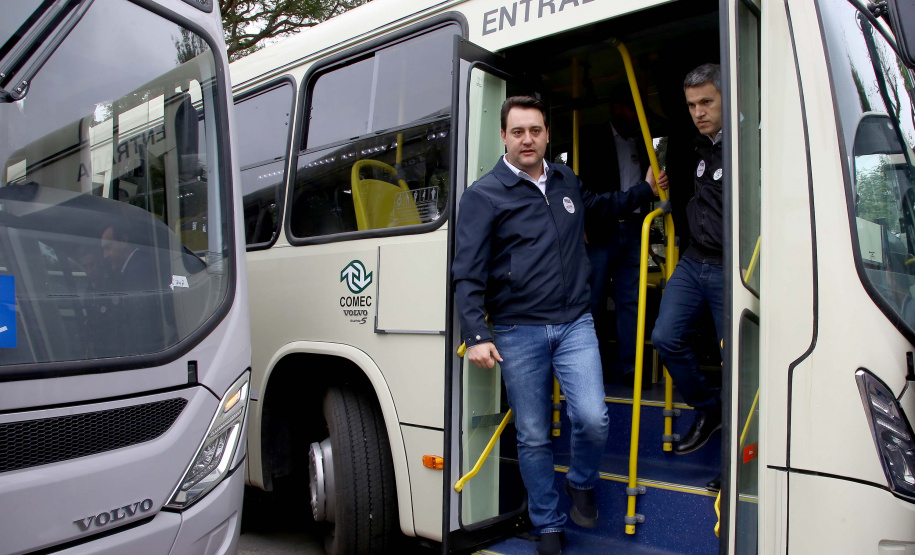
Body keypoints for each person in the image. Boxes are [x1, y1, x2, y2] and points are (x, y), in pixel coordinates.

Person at [453, 96, 663, 555]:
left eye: (535, 130)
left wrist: (644, 191)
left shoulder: (566, 179)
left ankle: (581, 483)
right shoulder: (483, 194)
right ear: (503, 137)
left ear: (548, 135)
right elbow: (466, 271)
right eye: (517, 132)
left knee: (592, 417)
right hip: (516, 331)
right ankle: (548, 524)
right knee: (531, 434)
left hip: (574, 324)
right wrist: (475, 333)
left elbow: (600, 207)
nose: (527, 139)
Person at [650, 63, 725, 490]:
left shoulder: (746, 146)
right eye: (692, 105)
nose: (699, 112)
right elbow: (671, 179)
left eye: (707, 102)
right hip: (693, 261)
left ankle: (738, 461)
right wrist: (654, 176)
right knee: (665, 337)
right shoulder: (692, 145)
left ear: (725, 98)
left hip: (732, 266)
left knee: (740, 364)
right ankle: (708, 408)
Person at [579, 86, 654, 385]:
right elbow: (584, 187)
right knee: (593, 301)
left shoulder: (642, 139)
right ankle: (589, 368)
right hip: (599, 229)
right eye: (627, 107)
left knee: (632, 302)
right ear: (614, 108)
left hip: (636, 228)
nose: (632, 115)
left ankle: (630, 370)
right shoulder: (593, 137)